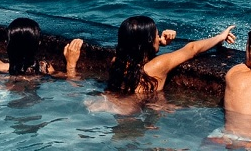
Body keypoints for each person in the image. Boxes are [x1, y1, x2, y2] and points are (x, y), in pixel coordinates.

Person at [84, 15, 236, 113]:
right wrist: (220, 36)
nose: (160, 36)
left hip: (109, 104)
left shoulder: (117, 62)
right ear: (149, 42)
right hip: (134, 110)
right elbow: (192, 49)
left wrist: (159, 44)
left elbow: (136, 51)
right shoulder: (156, 66)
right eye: (157, 35)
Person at [0, 17, 83, 77]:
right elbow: (72, 82)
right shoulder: (45, 68)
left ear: (8, 43)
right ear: (38, 43)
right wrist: (71, 63)